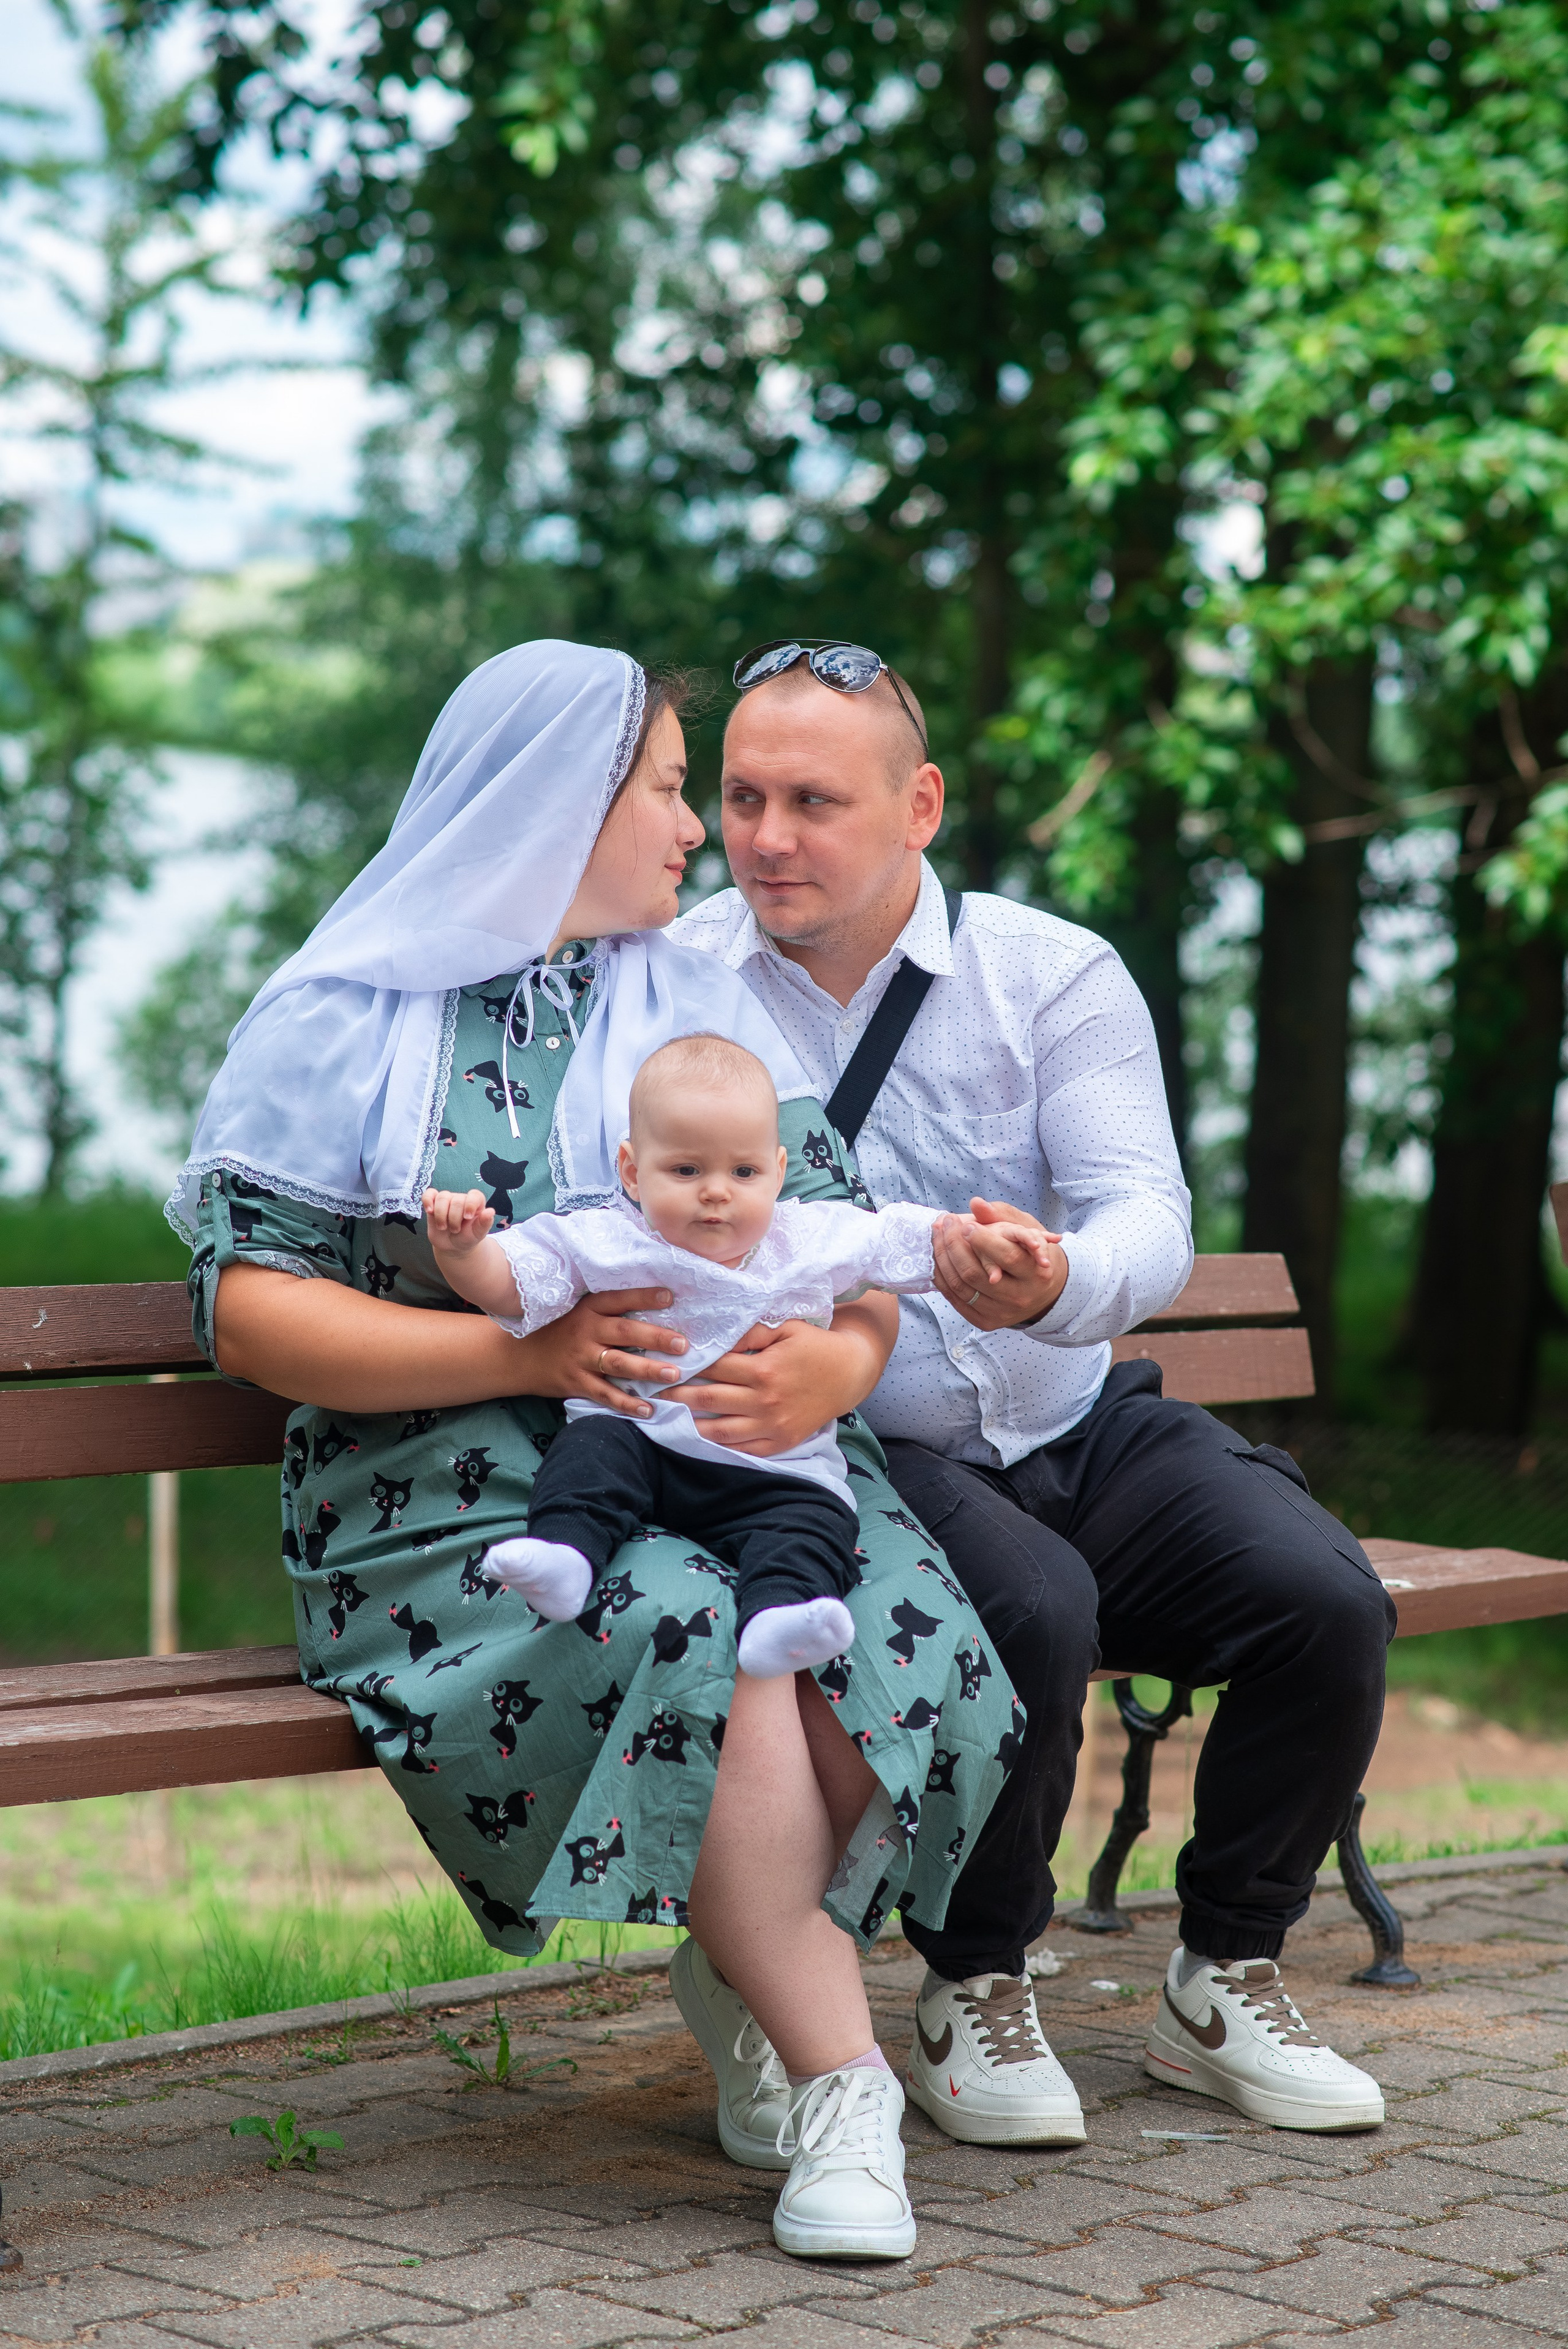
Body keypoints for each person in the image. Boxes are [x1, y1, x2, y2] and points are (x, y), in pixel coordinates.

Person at [170, 639, 1028, 2261]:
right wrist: (531, 1348)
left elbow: (833, 1248)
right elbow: (253, 1318)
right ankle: (846, 2079)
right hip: (440, 1481)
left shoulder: (687, 1000)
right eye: (663, 790)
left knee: (883, 1618)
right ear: (552, 808)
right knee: (700, 1630)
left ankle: (752, 1948)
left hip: (734, 1444)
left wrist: (827, 1376)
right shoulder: (347, 1012)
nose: (694, 831)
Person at [674, 636, 1394, 2144]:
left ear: (918, 802)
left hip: (1073, 1408)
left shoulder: (1048, 970)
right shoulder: (677, 982)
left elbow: (1146, 1212)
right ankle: (973, 1980)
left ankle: (1223, 1970)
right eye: (741, 796)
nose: (765, 836)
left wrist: (1057, 1275)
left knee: (1321, 1595)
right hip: (858, 1451)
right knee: (1034, 1604)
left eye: (812, 798)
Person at [423, 1030, 1054, 1677]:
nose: (717, 1191)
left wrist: (973, 1239)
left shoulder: (805, 1236)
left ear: (778, 1172)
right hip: (644, 1440)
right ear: (633, 1171)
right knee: (586, 1457)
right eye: (687, 1170)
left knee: (817, 1516)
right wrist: (465, 1252)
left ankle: (782, 1616)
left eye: (743, 1172)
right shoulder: (609, 1236)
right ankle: (564, 1553)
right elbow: (516, 1282)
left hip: (772, 1464)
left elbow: (896, 1239)